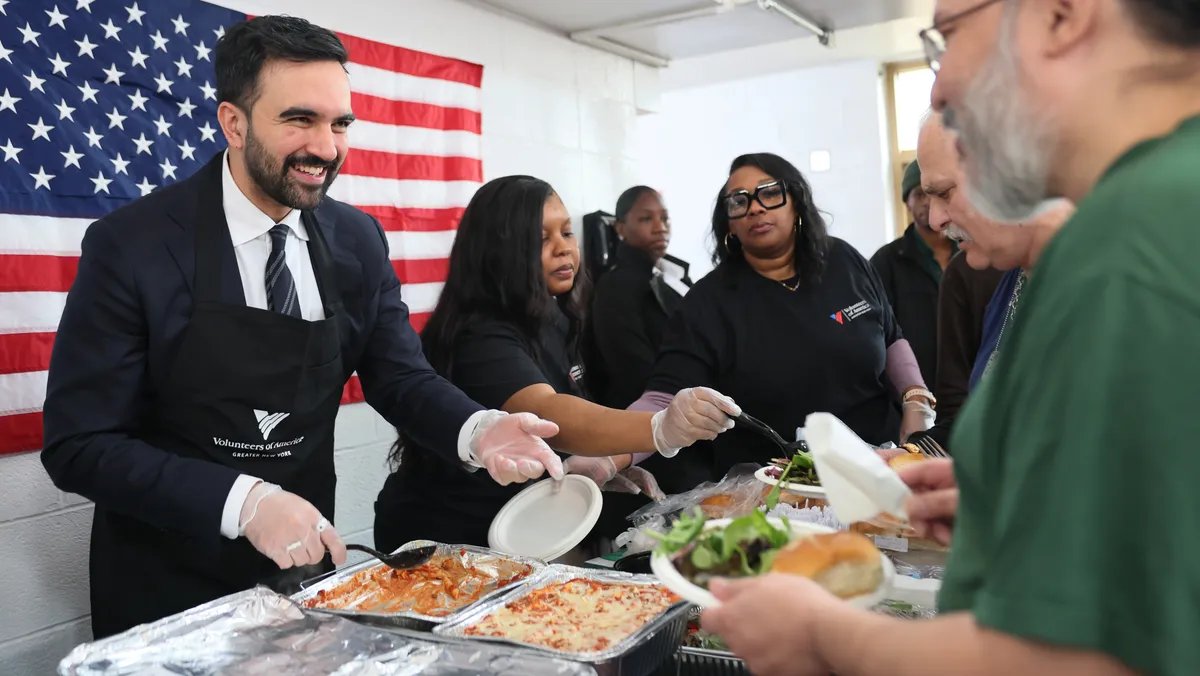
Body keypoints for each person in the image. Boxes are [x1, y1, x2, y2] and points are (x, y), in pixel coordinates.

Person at [703, 1, 1200, 674]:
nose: (940, 87)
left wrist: (822, 635)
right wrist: (1008, 507)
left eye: (949, 37)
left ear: (1062, 15)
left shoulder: (1130, 244)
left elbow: (1086, 658)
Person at [39, 17, 565, 639]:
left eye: (340, 123)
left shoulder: (357, 240)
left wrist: (479, 430)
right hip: (165, 581)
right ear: (233, 123)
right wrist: (246, 502)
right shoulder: (134, 247)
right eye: (299, 120)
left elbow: (399, 376)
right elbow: (80, 444)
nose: (326, 147)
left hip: (301, 576)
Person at [373, 176, 738, 551]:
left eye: (566, 232)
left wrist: (596, 464)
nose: (563, 249)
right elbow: (548, 412)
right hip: (443, 536)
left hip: (516, 529)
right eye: (541, 239)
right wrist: (660, 428)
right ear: (497, 249)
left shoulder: (557, 312)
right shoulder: (479, 332)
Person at [632, 152, 934, 485]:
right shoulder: (708, 303)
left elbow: (891, 336)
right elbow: (662, 399)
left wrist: (916, 398)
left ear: (796, 203)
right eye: (739, 201)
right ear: (729, 223)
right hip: (774, 489)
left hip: (879, 468)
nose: (756, 207)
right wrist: (609, 456)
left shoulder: (844, 261)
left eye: (770, 193)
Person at [588, 186, 693, 410]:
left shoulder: (673, 275)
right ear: (621, 228)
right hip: (654, 416)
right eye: (646, 219)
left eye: (665, 219)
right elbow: (634, 370)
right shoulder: (615, 287)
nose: (660, 228)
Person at [870, 160, 957, 385]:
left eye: (937, 194)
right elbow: (879, 334)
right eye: (919, 194)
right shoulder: (886, 261)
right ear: (907, 203)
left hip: (972, 384)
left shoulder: (973, 253)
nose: (928, 203)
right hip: (917, 390)